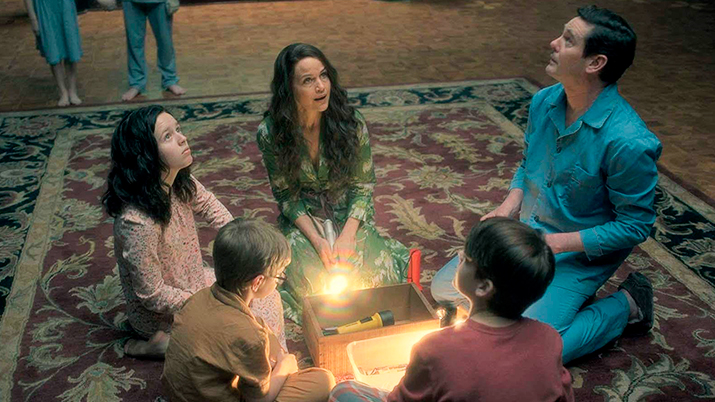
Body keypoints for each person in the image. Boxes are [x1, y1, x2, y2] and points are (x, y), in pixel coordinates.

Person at [431, 5, 662, 364]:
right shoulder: (543, 102)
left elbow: (635, 225)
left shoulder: (629, 141)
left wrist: (555, 244)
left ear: (595, 63)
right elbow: (529, 165)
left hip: (578, 254)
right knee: (446, 291)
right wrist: (510, 205)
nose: (553, 43)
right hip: (529, 238)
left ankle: (628, 305)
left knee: (529, 352)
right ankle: (555, 299)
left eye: (567, 40)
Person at [102, 105, 285, 358]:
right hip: (162, 316)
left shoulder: (179, 180)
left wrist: (247, 245)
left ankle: (274, 357)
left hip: (195, 282)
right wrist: (207, 303)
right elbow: (152, 294)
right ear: (145, 155)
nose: (182, 138)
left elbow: (210, 206)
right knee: (239, 334)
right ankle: (153, 346)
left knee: (266, 294)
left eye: (178, 129)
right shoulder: (137, 222)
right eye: (168, 136)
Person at [330, 218, 574, 402]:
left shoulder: (435, 348)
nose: (458, 255)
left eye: (466, 258)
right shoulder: (549, 338)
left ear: (483, 287)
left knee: (343, 390)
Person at [256, 43, 409, 323]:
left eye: (323, 75)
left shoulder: (351, 123)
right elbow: (286, 196)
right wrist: (317, 241)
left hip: (348, 212)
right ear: (289, 89)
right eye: (308, 80)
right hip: (305, 216)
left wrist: (348, 235)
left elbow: (363, 187)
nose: (320, 86)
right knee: (318, 289)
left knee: (376, 282)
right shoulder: (270, 132)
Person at [163, 218, 336, 402]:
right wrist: (285, 366)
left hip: (183, 391)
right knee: (323, 381)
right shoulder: (250, 336)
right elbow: (260, 400)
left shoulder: (197, 298)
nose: (280, 279)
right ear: (258, 282)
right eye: (279, 275)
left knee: (263, 329)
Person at [120, 0, 186, 101]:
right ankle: (136, 83)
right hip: (131, 2)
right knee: (134, 43)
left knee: (165, 42)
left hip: (160, 2)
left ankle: (170, 79)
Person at [23, 0, 83, 106]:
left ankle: (72, 90)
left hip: (65, 6)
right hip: (44, 8)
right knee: (53, 50)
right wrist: (33, 19)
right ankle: (62, 91)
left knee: (71, 47)